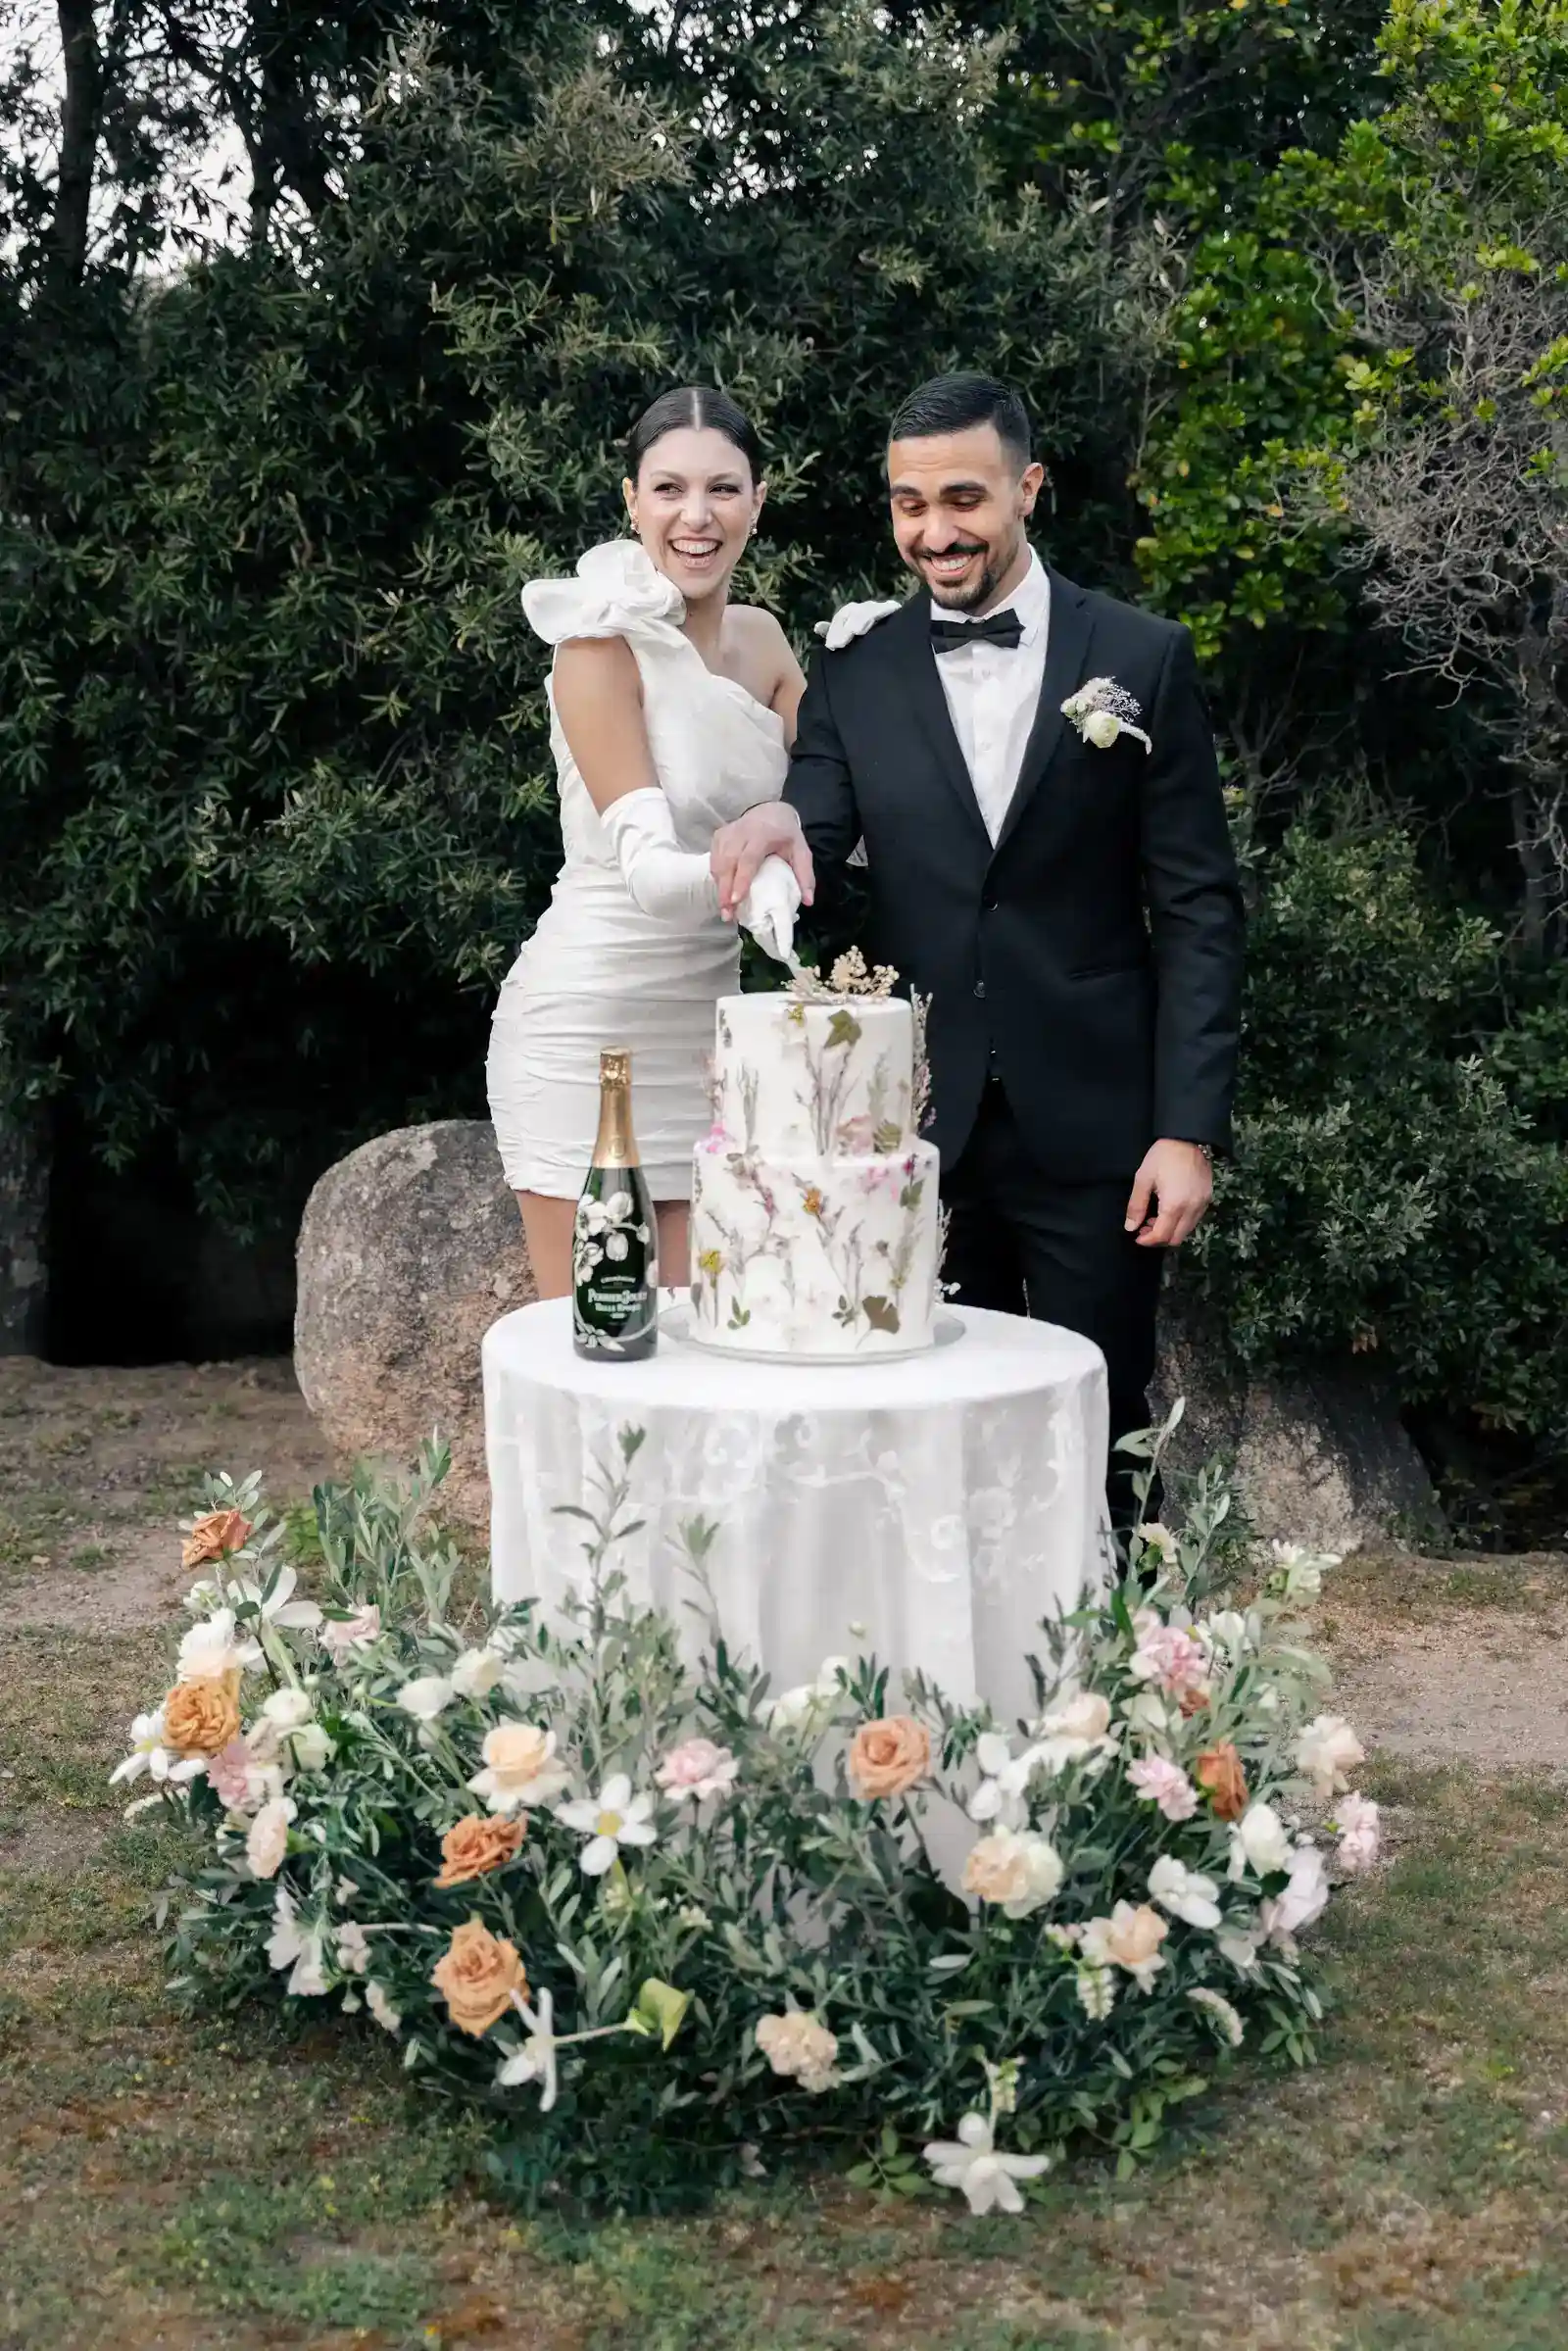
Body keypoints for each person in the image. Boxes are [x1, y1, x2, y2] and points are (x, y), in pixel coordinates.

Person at [710, 371, 1244, 1528]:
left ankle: (1123, 1636)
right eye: (909, 504)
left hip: (1098, 1124)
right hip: (917, 1129)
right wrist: (776, 823)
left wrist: (1186, 1128)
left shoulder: (1140, 657)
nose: (934, 532)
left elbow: (1199, 906)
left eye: (963, 498)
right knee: (928, 1430)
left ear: (1027, 488)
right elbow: (818, 818)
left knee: (1104, 1419)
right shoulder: (856, 667)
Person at [487, 387, 806, 1298]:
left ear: (758, 502)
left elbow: (843, 815)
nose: (696, 515)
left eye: (723, 489)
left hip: (707, 1037)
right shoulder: (596, 647)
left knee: (708, 1338)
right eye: (669, 489)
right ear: (632, 501)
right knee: (598, 1337)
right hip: (587, 1028)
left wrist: (886, 664)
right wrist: (762, 863)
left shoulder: (766, 642)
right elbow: (655, 876)